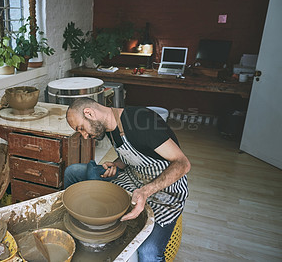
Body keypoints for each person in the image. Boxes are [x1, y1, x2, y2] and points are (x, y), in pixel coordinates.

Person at [64, 98, 190, 262]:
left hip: (165, 191)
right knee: (73, 172)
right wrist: (117, 164)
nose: (85, 136)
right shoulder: (109, 127)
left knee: (148, 253)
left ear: (89, 113)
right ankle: (77, 223)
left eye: (81, 128)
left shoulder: (141, 121)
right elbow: (139, 150)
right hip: (134, 178)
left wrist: (145, 191)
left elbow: (182, 163)